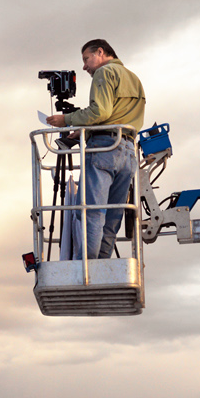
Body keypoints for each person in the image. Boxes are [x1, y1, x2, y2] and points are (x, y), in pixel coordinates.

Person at [45, 39, 145, 259]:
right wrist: (85, 132)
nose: (84, 66)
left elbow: (100, 111)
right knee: (112, 217)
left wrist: (67, 120)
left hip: (104, 150)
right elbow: (117, 114)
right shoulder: (134, 79)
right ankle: (101, 267)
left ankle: (87, 271)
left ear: (100, 52)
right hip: (127, 150)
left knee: (91, 213)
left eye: (86, 59)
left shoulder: (105, 73)